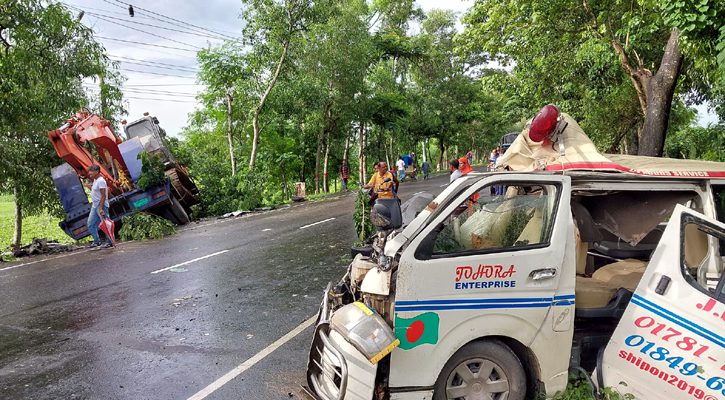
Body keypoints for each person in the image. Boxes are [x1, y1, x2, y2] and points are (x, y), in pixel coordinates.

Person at [86, 165, 113, 249]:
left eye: (91, 171)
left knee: (105, 224)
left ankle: (110, 242)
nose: (89, 173)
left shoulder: (101, 181)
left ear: (96, 171)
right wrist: (87, 186)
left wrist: (101, 208)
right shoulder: (95, 180)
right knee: (90, 223)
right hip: (95, 206)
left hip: (101, 205)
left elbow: (103, 195)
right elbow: (95, 191)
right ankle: (97, 241)